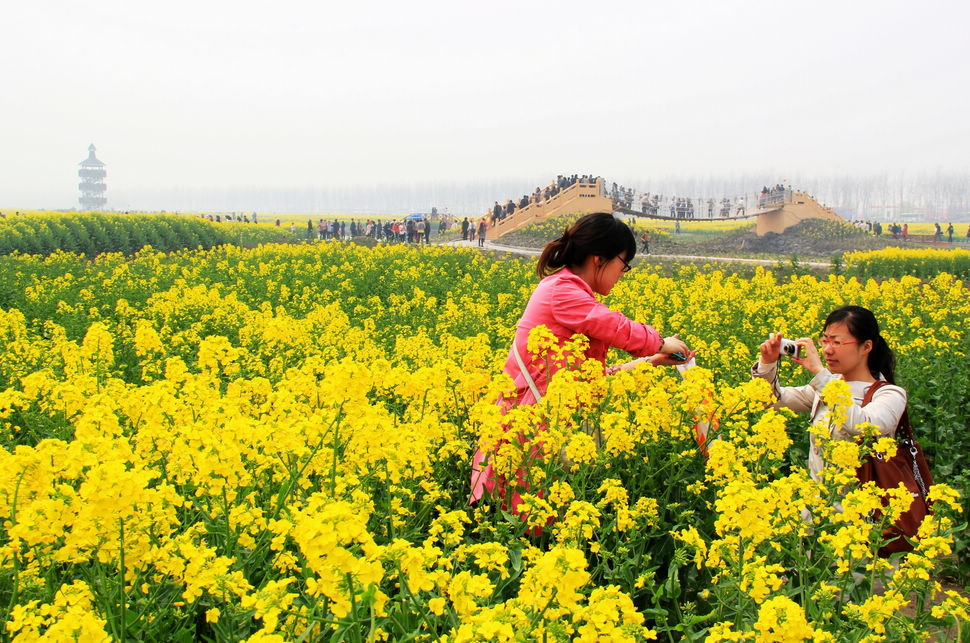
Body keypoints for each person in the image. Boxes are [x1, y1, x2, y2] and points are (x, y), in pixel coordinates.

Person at [470, 212, 691, 510]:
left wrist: (650, 360)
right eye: (623, 265)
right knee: (517, 531)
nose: (621, 275)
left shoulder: (569, 292)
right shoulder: (561, 290)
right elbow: (612, 324)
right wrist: (661, 341)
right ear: (600, 259)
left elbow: (591, 380)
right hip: (524, 441)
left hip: (542, 440)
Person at [751, 306, 906, 483]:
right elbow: (770, 401)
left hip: (861, 508)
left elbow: (862, 425)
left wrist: (819, 372)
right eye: (824, 341)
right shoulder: (824, 389)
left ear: (866, 347)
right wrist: (767, 364)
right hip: (817, 508)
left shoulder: (890, 395)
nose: (827, 350)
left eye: (836, 342)